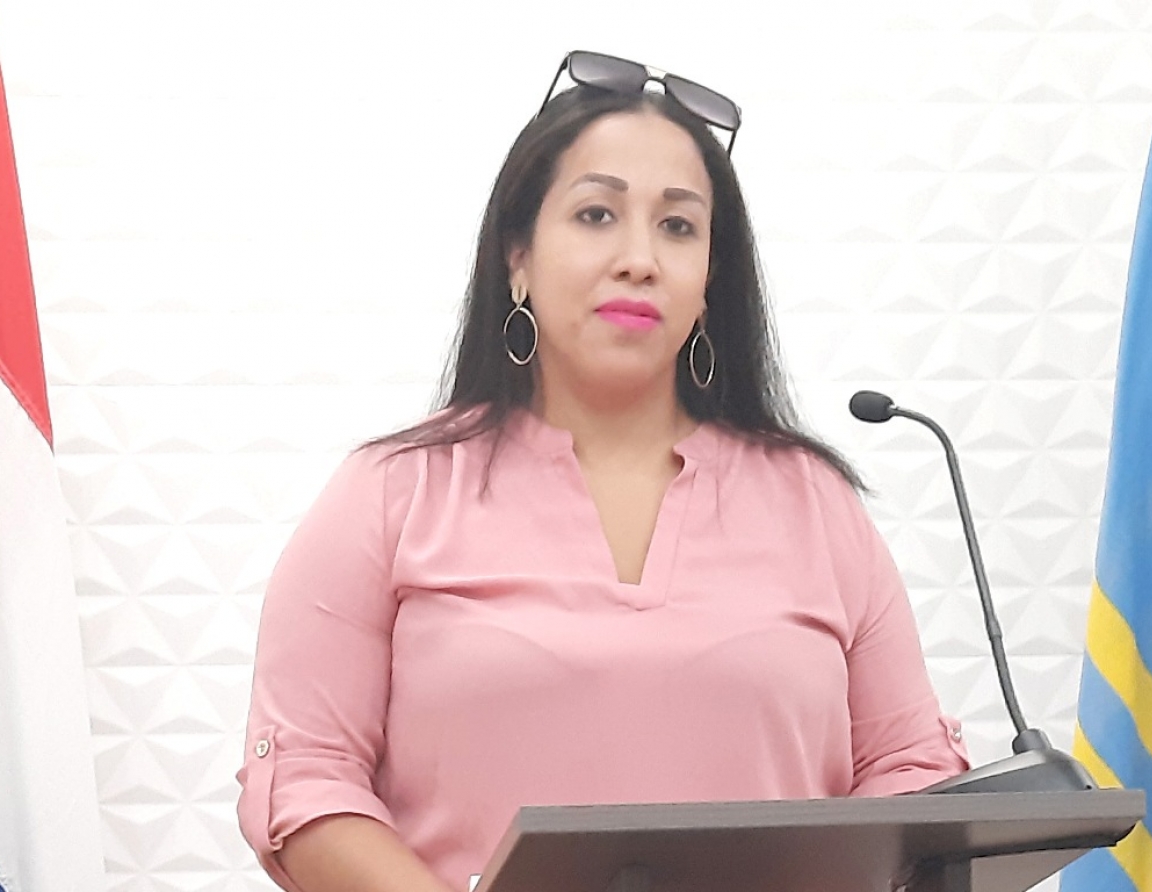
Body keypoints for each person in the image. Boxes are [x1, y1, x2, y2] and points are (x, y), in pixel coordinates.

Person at [236, 50, 970, 892]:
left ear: (710, 279)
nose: (639, 258)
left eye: (678, 227)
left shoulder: (816, 504)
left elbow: (911, 768)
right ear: (517, 254)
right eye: (596, 215)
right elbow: (305, 779)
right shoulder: (391, 495)